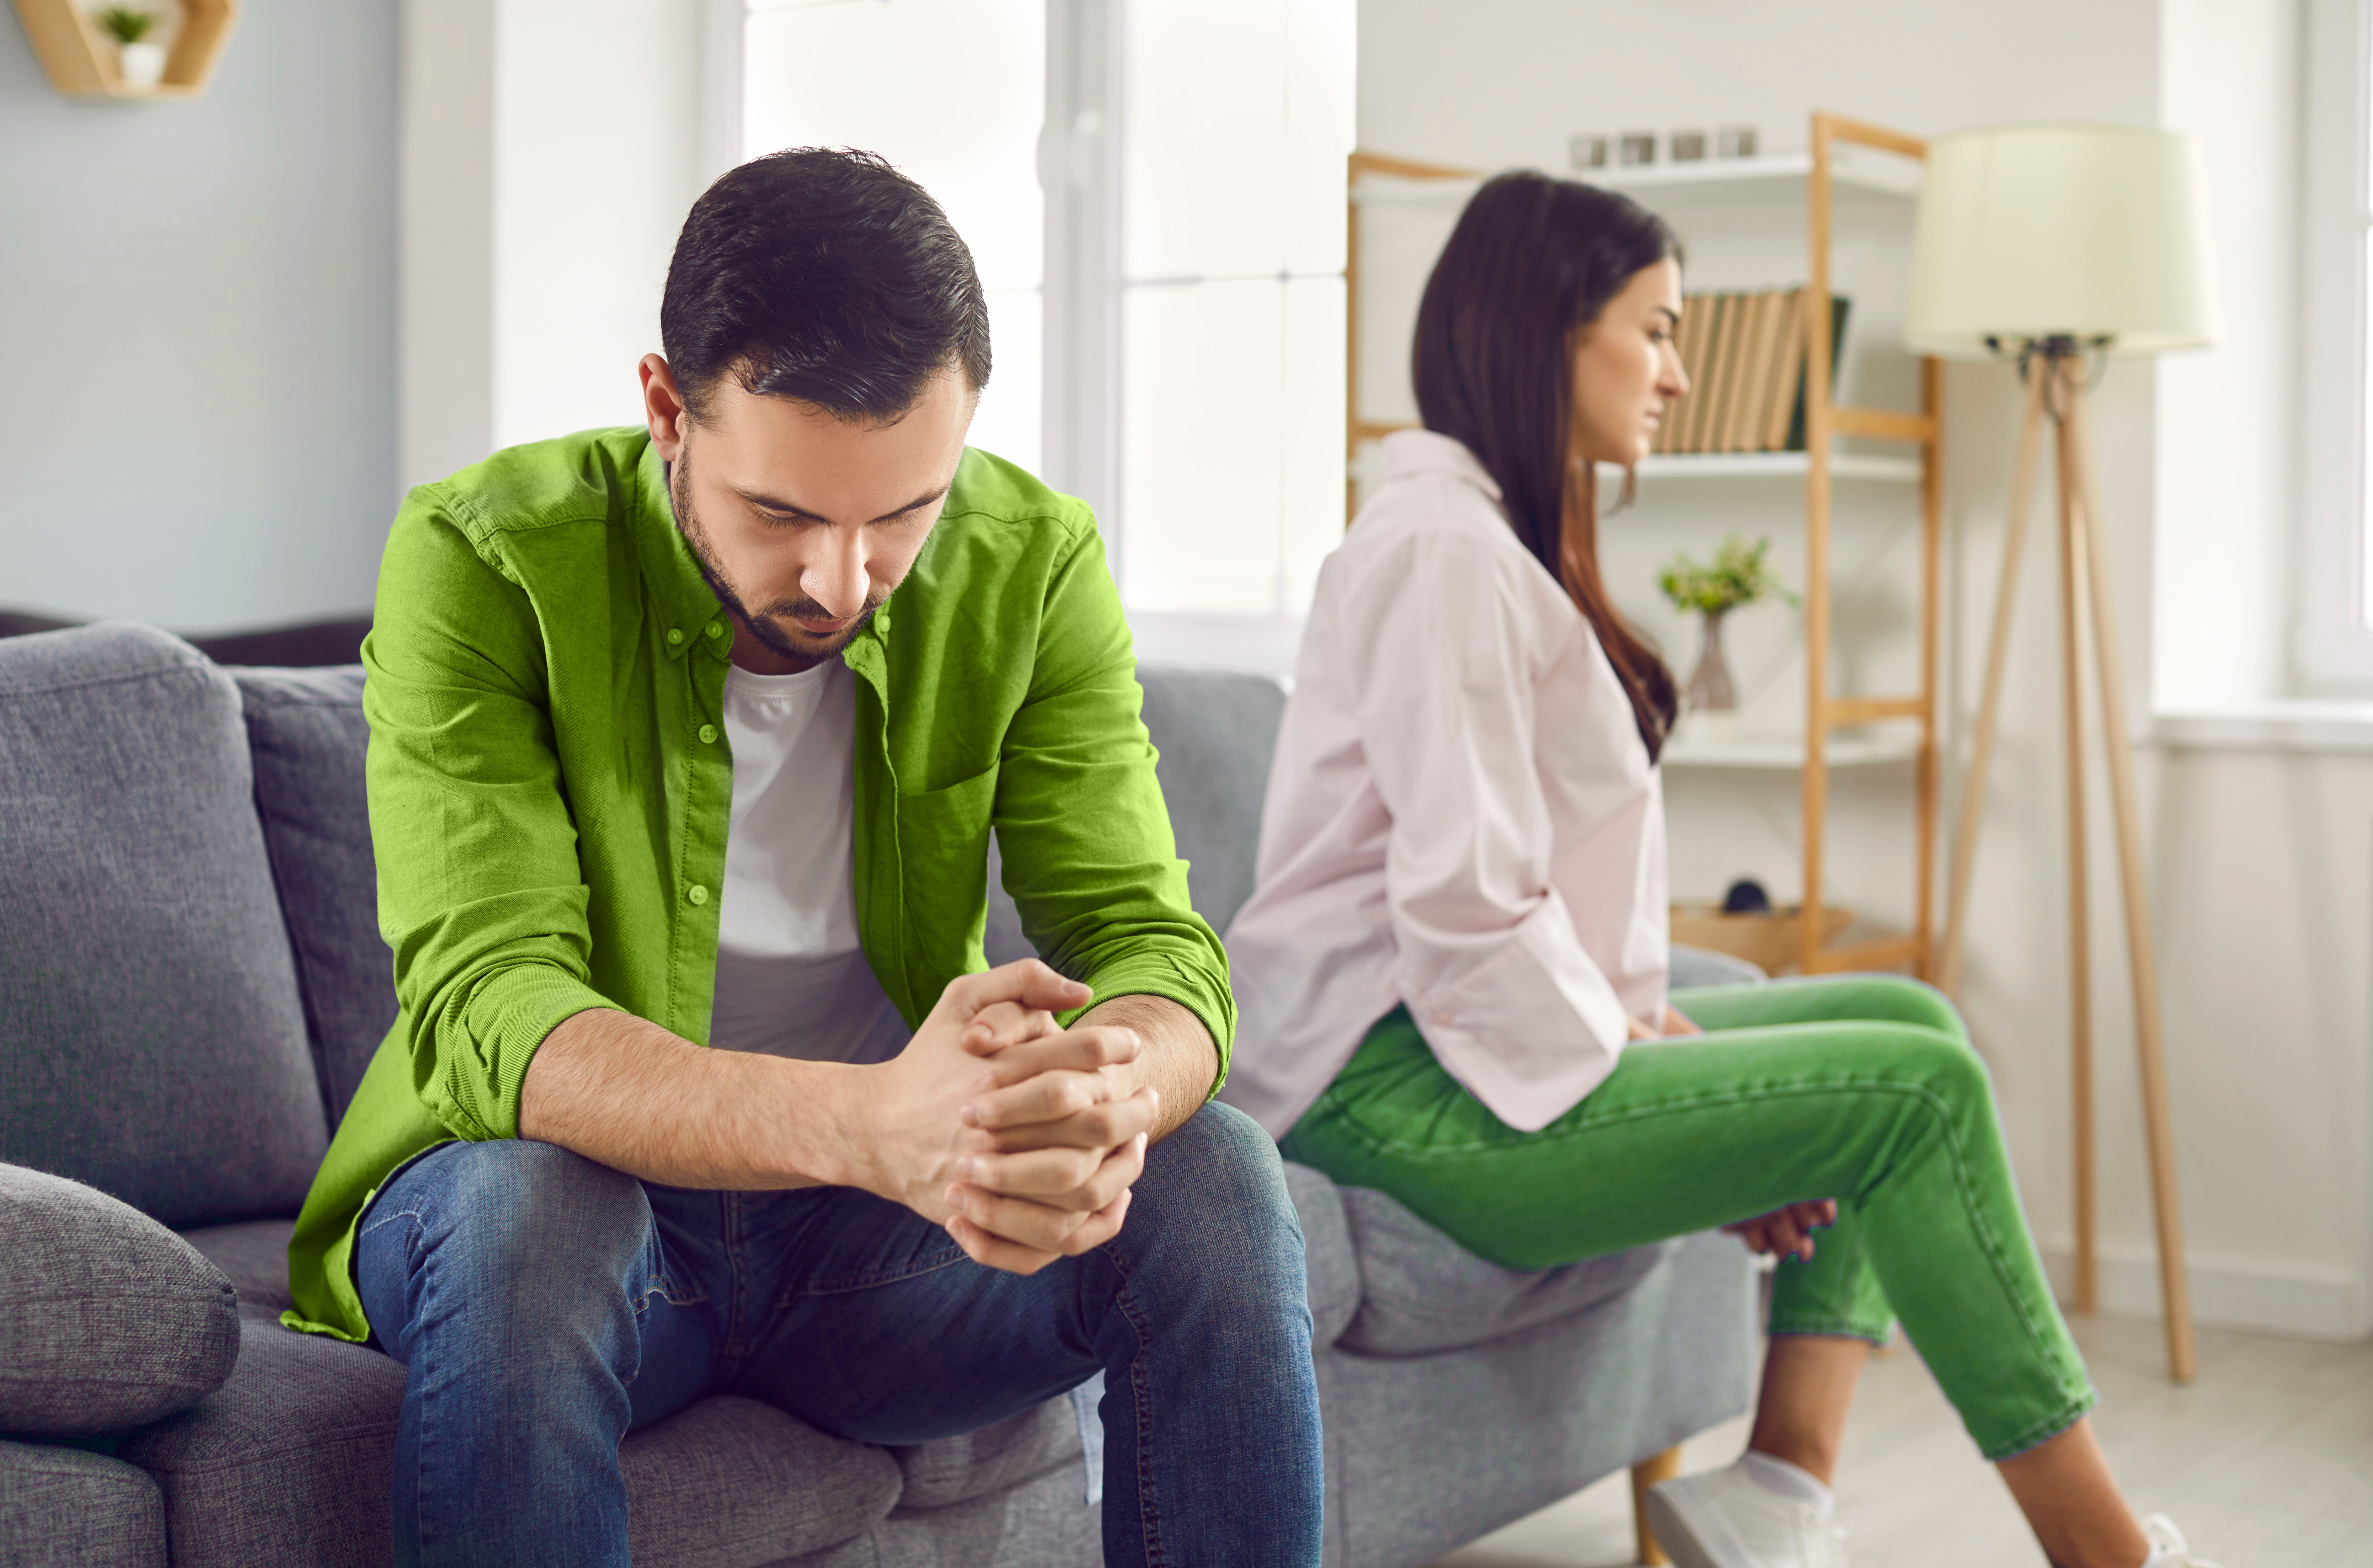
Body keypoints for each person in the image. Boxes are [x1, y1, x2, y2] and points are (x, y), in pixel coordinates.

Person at [280, 148, 1322, 1568]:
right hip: (578, 1225)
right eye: (784, 514)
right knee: (535, 1204)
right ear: (668, 408)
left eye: (904, 515)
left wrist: (1113, 1086)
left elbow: (1154, 943)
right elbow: (492, 1009)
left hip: (873, 1253)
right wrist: (874, 1125)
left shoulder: (1038, 562)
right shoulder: (485, 555)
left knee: (1216, 1172)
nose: (843, 582)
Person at [1219, 170, 2217, 1568]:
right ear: (1552, 331)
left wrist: (1666, 1058)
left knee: (1911, 1023)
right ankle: (2109, 1555)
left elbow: (1525, 901)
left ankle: (1775, 1500)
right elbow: (1464, 911)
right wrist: (1653, 1085)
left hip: (1461, 1048)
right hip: (1392, 1088)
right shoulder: (1437, 555)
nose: (1682, 374)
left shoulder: (1499, 543)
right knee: (1907, 1094)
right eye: (1659, 329)